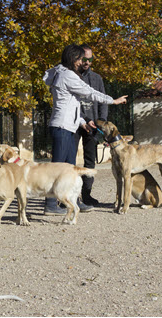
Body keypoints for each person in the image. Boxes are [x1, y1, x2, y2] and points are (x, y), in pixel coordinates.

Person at [42, 44, 127, 215]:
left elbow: (69, 104)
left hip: (68, 126)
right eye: (80, 59)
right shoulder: (67, 75)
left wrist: (82, 121)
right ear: (72, 59)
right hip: (61, 128)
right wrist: (113, 101)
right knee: (58, 168)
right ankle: (50, 204)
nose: (83, 62)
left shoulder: (64, 74)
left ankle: (70, 202)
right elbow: (89, 92)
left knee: (69, 168)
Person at [74, 44, 108, 207]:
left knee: (90, 162)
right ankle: (67, 197)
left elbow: (103, 100)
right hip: (74, 124)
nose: (87, 62)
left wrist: (101, 121)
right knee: (69, 162)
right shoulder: (72, 76)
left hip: (93, 126)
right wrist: (84, 120)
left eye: (90, 59)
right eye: (84, 58)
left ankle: (86, 195)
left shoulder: (97, 79)